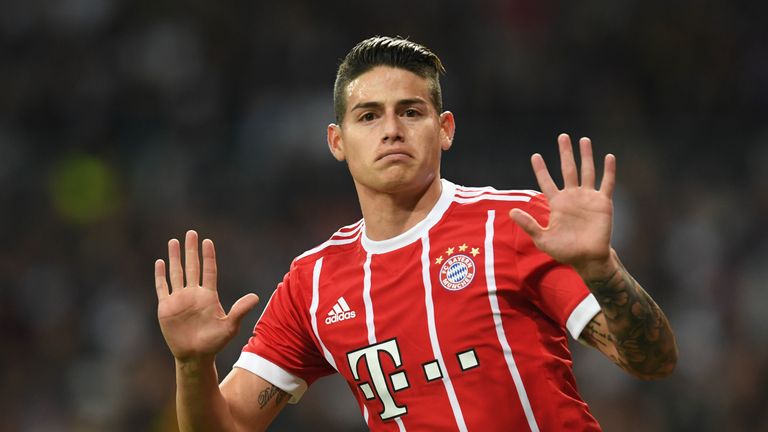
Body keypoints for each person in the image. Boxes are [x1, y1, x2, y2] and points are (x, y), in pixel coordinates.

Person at [154, 36, 678, 431]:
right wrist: (193, 364)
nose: (391, 129)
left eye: (411, 111)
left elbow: (653, 362)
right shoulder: (312, 284)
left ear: (444, 129)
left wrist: (603, 270)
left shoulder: (516, 226)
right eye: (368, 116)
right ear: (337, 141)